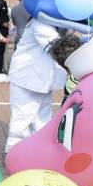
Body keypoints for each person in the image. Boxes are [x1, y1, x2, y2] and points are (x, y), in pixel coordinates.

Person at [5, 17, 67, 152]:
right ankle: (14, 152)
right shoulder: (40, 23)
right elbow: (57, 47)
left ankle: (39, 151)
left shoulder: (52, 23)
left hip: (42, 79)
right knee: (22, 117)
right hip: (27, 78)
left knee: (42, 119)